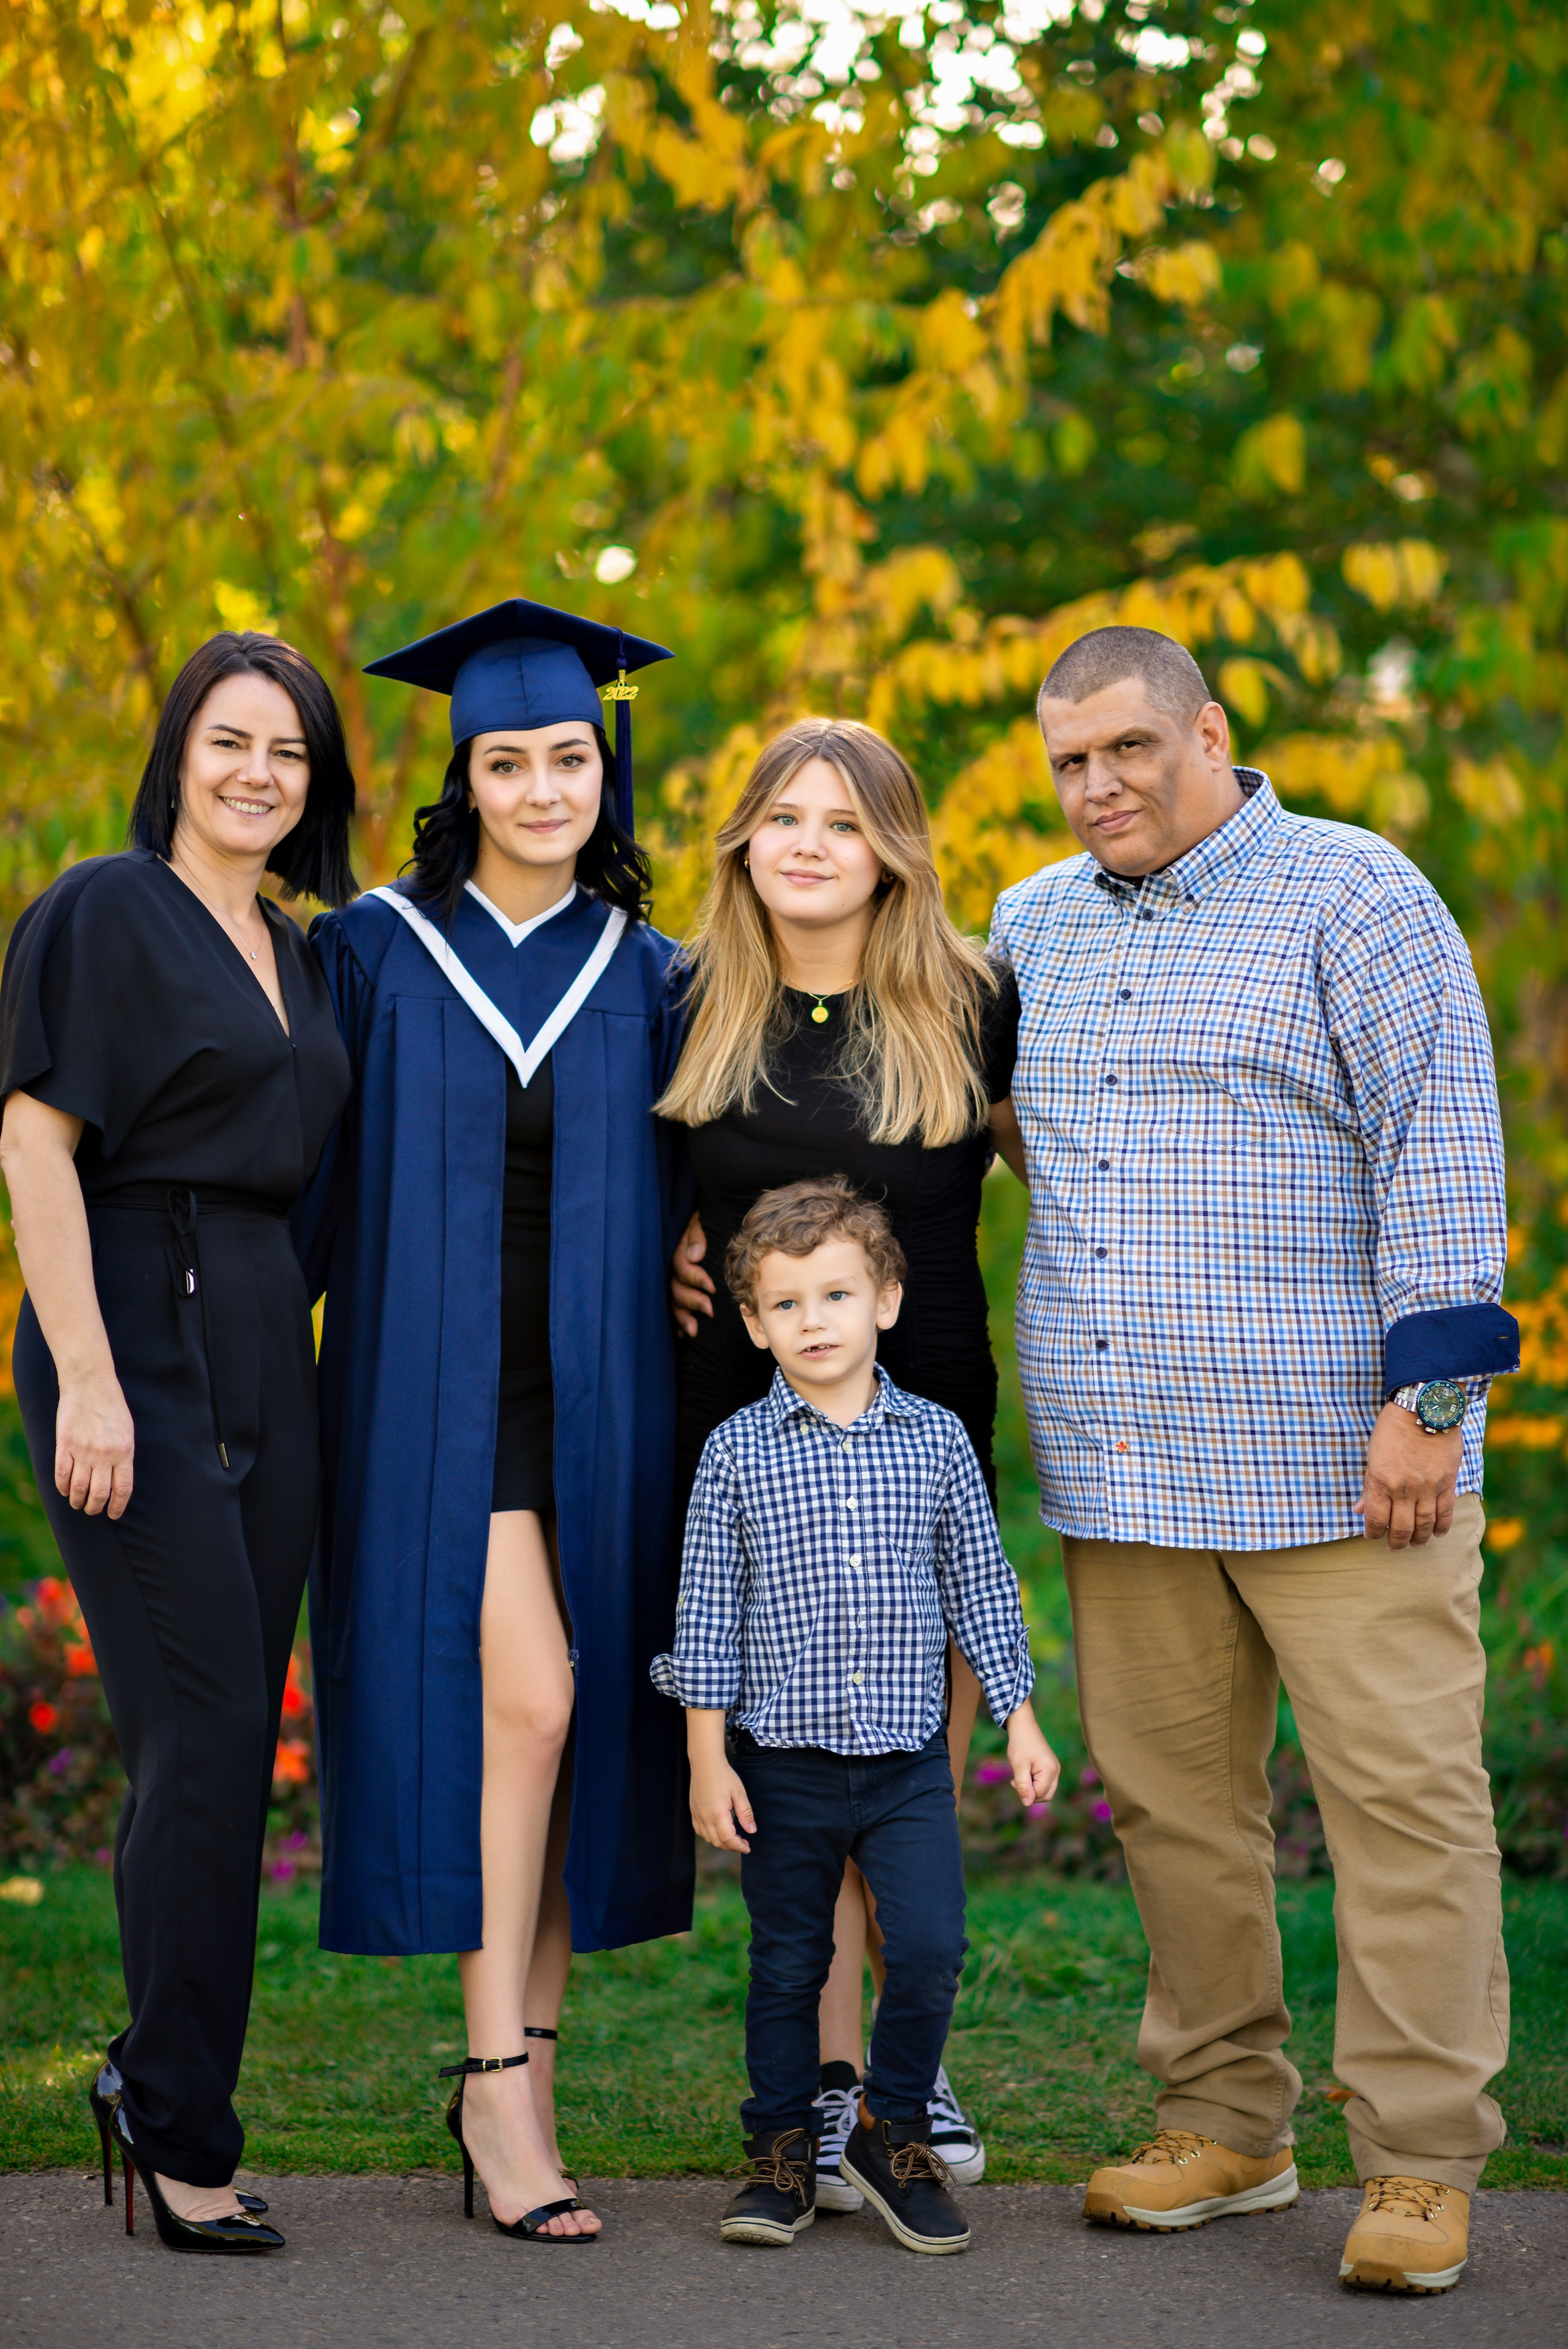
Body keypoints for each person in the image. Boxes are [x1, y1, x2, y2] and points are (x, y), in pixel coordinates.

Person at [990, 624, 1520, 2296]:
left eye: (1131, 748)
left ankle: (1422, 2155)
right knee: (1173, 1811)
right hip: (1125, 1467)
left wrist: (1429, 1404)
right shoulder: (1030, 923)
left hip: (1341, 1468)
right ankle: (1226, 2117)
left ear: (1212, 732)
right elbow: (961, 1119)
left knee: (1403, 1807)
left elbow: (1442, 1135)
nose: (1100, 787)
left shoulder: (1354, 891)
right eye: (1070, 761)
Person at [293, 599, 693, 2245]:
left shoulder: (657, 973)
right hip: (431, 1397)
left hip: (602, 1395)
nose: (543, 788)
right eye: (508, 760)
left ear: (609, 770)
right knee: (526, 1707)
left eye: (570, 758)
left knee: (579, 1714)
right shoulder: (372, 949)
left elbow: (709, 1172)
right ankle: (485, 2081)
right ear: (462, 774)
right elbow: (296, 1180)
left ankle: (528, 2077)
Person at [0, 632, 358, 2252]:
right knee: (205, 1734)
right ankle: (170, 2111)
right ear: (178, 749)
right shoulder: (104, 906)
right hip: (130, 1327)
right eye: (232, 740)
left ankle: (168, 2087)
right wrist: (85, 1373)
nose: (259, 773)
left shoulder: (300, 947)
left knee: (229, 1740)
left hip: (264, 1341)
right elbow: (36, 1136)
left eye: (289, 751)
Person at [659, 716, 1023, 2200]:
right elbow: (618, 1178)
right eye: (781, 816)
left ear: (892, 850)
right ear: (743, 838)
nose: (807, 841)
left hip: (924, 1421)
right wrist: (672, 1250)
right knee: (804, 1785)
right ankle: (820, 2096)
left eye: (844, 820)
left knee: (907, 1785)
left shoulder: (970, 1000)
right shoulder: (687, 1004)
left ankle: (904, 2074)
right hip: (747, 1434)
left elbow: (1065, 1170)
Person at [652, 1177, 1056, 2253]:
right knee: (790, 1963)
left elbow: (980, 1583)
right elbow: (705, 1615)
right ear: (752, 1324)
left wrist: (1018, 1717)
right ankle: (782, 2153)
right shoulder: (735, 1454)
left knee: (925, 1946)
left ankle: (894, 2130)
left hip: (907, 1766)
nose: (813, 1321)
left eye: (835, 1295)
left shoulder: (934, 1443)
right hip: (780, 1762)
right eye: (785, 1305)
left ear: (885, 1299)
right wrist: (706, 1756)